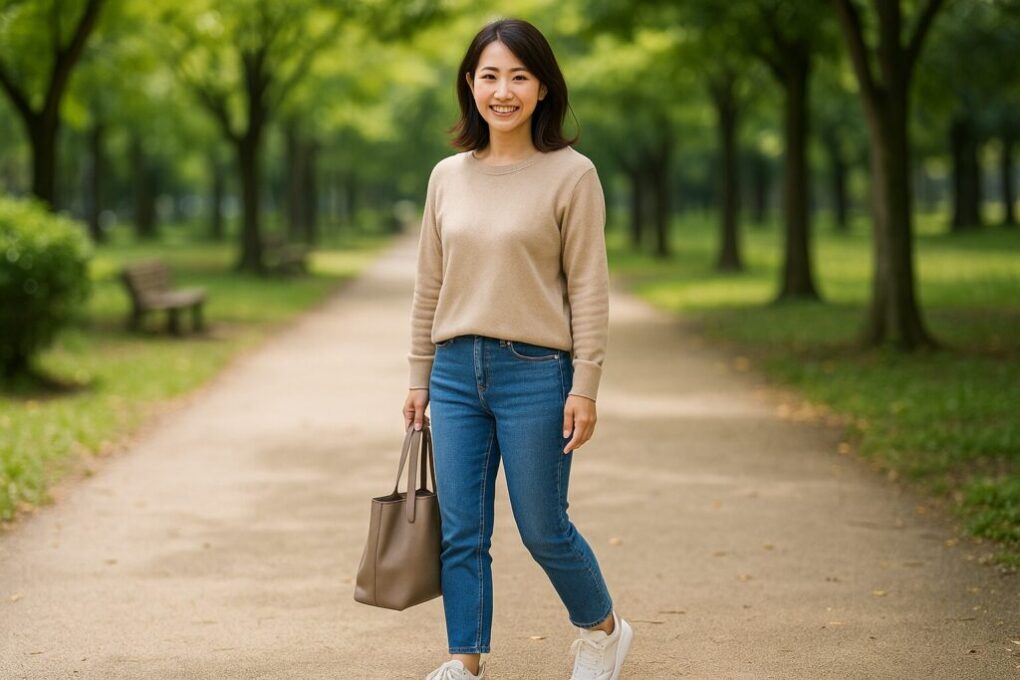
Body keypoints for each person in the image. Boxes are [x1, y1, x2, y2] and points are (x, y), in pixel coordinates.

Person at [402, 17, 633, 680]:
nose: (502, 90)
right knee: (462, 532)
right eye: (489, 75)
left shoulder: (572, 175)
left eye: (518, 76)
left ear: (542, 88)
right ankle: (464, 660)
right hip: (452, 373)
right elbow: (429, 285)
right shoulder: (446, 176)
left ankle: (602, 632)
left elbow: (590, 287)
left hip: (535, 372)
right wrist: (418, 378)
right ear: (469, 84)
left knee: (542, 527)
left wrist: (584, 385)